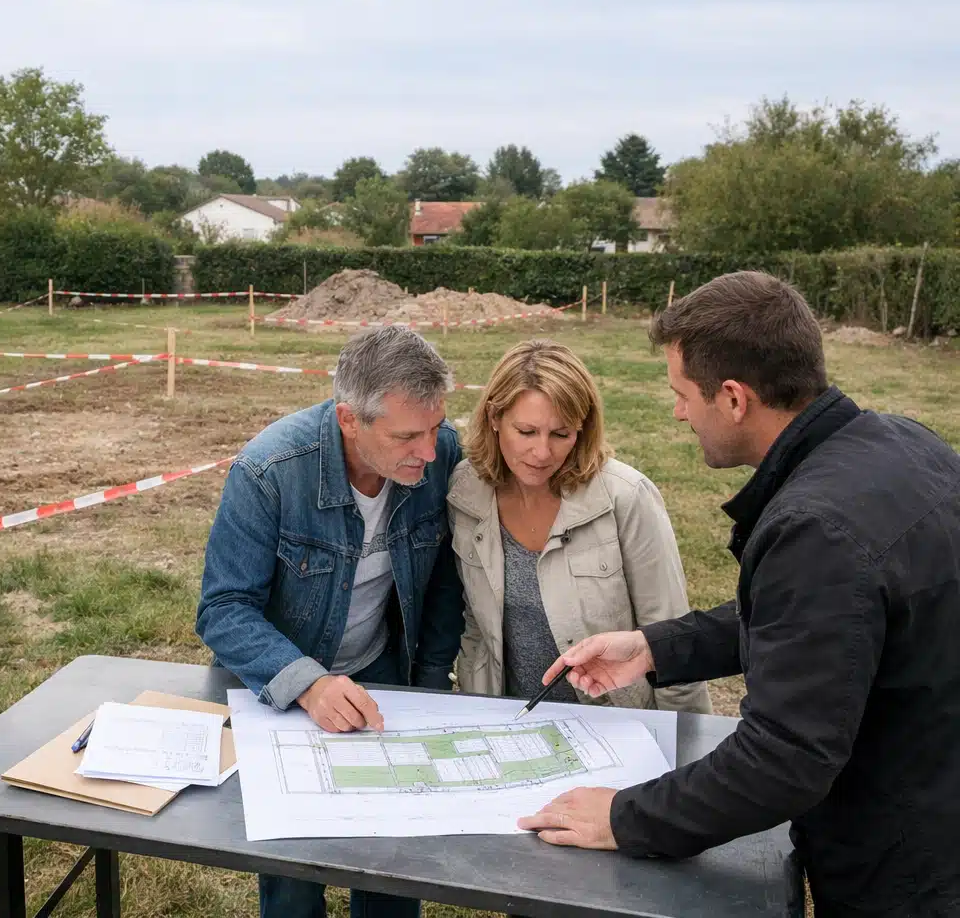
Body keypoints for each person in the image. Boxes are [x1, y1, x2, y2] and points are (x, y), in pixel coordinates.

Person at [517, 272, 960, 917]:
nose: (677, 413)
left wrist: (625, 817)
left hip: (911, 865)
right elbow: (822, 620)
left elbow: (784, 758)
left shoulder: (817, 526)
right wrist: (654, 646)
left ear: (732, 398)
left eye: (682, 395)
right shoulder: (899, 443)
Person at [197, 326, 464, 918]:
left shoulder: (441, 452)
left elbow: (445, 579)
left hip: (383, 668)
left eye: (436, 427)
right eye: (406, 437)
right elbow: (223, 609)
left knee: (394, 855)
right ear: (349, 419)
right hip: (280, 687)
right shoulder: (269, 470)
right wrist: (309, 685)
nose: (429, 450)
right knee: (296, 866)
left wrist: (431, 681)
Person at [449, 339, 710, 714]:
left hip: (615, 727)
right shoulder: (465, 491)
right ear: (493, 418)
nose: (542, 453)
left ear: (583, 429)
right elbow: (474, 628)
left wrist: (681, 744)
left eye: (561, 434)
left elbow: (671, 637)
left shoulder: (627, 498)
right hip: (506, 721)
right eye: (526, 432)